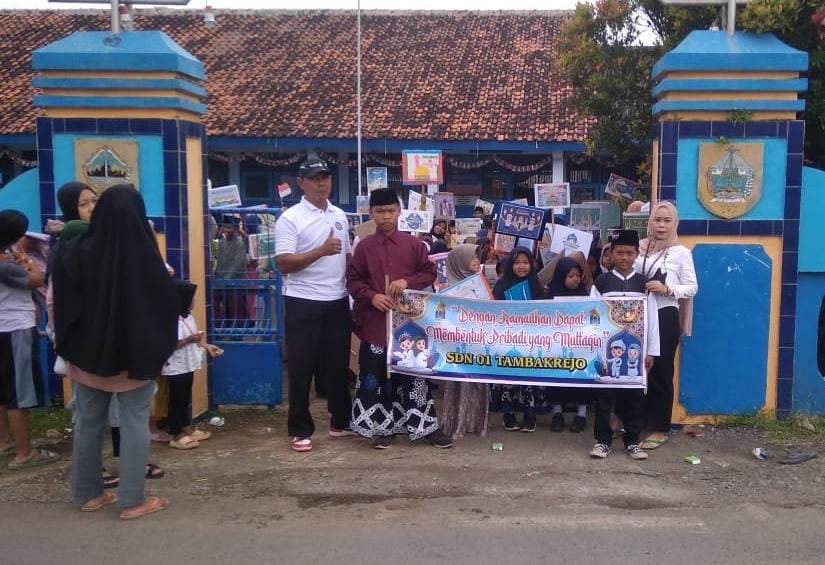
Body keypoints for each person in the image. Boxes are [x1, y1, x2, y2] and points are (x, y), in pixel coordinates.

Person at [52, 184, 178, 519]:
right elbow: (164, 306)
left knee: (88, 422)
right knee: (134, 423)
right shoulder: (146, 259)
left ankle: (89, 494)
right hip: (133, 360)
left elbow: (59, 300)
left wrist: (69, 342)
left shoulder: (75, 250)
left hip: (87, 357)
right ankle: (132, 500)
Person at [346, 188, 452, 449]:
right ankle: (382, 428)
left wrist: (407, 281)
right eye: (380, 211)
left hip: (408, 324)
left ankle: (425, 426)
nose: (386, 216)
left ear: (399, 212)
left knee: (413, 373)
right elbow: (353, 281)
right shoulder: (364, 248)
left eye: (391, 211)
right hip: (375, 322)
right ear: (371, 213)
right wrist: (372, 296)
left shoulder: (414, 245)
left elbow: (429, 273)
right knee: (376, 375)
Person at [274, 157, 353, 452]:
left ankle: (340, 420)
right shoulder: (290, 218)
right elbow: (283, 263)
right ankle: (300, 429)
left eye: (325, 177)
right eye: (315, 178)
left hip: (337, 299)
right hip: (302, 299)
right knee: (301, 366)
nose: (321, 183)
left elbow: (346, 257)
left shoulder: (340, 215)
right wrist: (320, 251)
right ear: (301, 182)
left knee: (338, 365)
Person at [589, 230, 659, 460]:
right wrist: (594, 345)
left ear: (637, 254)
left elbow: (652, 319)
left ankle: (632, 441)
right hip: (606, 349)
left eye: (629, 253)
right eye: (620, 252)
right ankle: (602, 440)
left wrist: (651, 351)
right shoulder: (602, 282)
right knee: (604, 397)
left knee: (634, 398)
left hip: (635, 351)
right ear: (611, 254)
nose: (624, 257)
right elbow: (592, 313)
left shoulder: (643, 284)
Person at [635, 201, 698, 450]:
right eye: (657, 220)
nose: (661, 226)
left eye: (667, 221)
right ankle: (634, 421)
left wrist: (668, 289)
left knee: (661, 372)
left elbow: (692, 287)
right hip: (636, 315)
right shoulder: (640, 248)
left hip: (664, 315)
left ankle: (660, 428)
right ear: (650, 222)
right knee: (635, 368)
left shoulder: (681, 253)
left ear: (674, 224)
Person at [0, 210, 58, 470]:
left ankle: (4, 441)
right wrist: (27, 259)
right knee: (19, 391)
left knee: (3, 390)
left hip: (4, 328)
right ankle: (25, 452)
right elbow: (37, 280)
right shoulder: (6, 265)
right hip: (16, 329)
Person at [490, 247, 547, 432]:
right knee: (509, 379)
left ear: (531, 264)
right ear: (510, 265)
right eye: (517, 263)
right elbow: (493, 312)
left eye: (525, 262)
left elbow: (546, 313)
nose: (521, 267)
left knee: (529, 379)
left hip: (531, 341)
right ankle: (508, 414)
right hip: (508, 341)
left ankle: (530, 415)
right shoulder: (502, 285)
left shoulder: (536, 285)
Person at [162, 280, 223, 450]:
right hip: (175, 365)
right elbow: (168, 344)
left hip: (187, 364)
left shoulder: (187, 316)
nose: (193, 302)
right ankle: (176, 433)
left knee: (185, 396)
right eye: (191, 298)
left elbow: (195, 337)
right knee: (176, 399)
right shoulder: (169, 319)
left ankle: (186, 427)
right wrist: (189, 339)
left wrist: (206, 346)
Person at [440, 244, 489, 439]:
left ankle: (476, 422)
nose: (477, 261)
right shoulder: (447, 290)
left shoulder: (480, 285)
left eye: (478, 257)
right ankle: (457, 422)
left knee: (478, 383)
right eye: (472, 258)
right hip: (457, 347)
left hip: (478, 343)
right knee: (459, 383)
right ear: (460, 262)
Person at [546, 256, 590, 433]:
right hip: (557, 347)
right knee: (557, 381)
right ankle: (557, 414)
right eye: (570, 276)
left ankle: (581, 415)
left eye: (578, 275)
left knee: (580, 381)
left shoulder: (585, 295)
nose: (575, 279)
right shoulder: (550, 295)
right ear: (561, 276)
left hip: (579, 348)